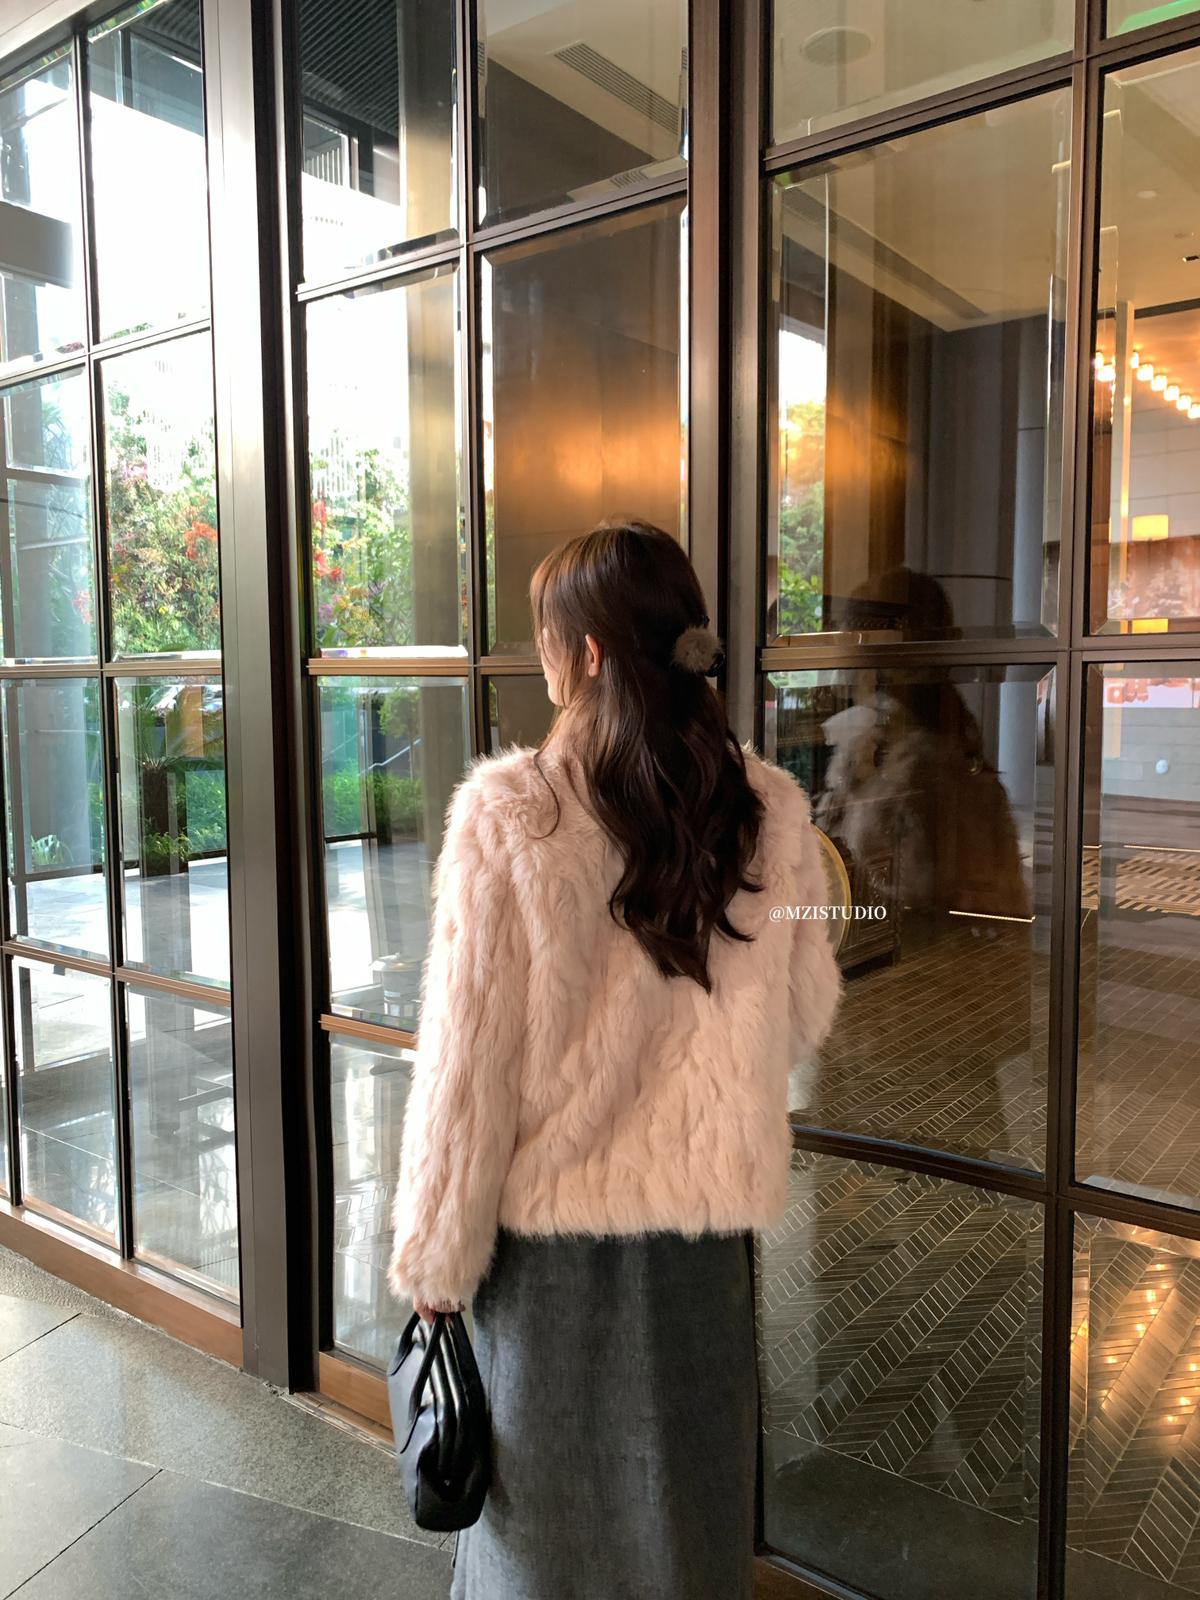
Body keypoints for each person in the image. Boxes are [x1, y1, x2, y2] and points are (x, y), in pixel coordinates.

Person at [387, 519, 843, 1599]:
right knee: (685, 1529)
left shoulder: (513, 817)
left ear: (588, 652)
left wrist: (435, 1269)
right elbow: (805, 1015)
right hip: (699, 1255)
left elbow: (465, 1078)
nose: (543, 659)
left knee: (541, 1542)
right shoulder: (766, 810)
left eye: (548, 637)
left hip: (549, 1265)